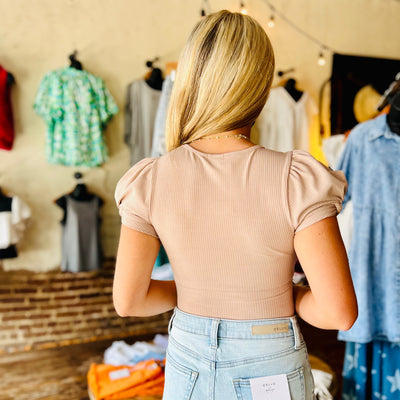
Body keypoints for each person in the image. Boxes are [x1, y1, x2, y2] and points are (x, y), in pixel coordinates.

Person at [114, 10, 358, 400]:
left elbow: (129, 301)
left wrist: (196, 290)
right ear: (260, 86)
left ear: (191, 82)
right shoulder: (296, 178)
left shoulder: (150, 178)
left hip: (187, 358)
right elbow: (337, 313)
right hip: (270, 359)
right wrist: (288, 294)